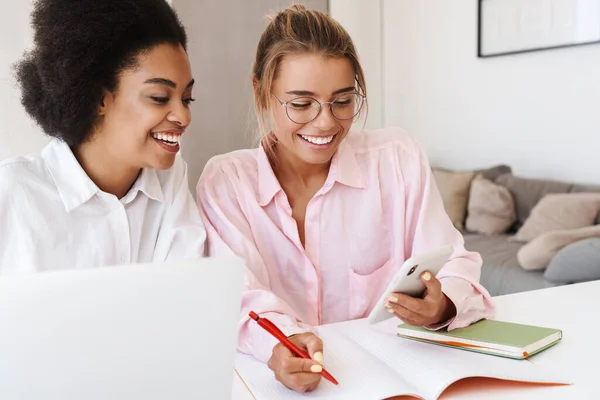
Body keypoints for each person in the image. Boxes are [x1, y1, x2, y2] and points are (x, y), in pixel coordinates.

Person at [197, 5, 494, 393]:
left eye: (343, 101)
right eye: (301, 104)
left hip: (395, 381)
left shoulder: (396, 158)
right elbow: (239, 299)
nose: (325, 122)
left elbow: (454, 260)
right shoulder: (226, 183)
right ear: (261, 92)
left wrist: (442, 304)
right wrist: (281, 344)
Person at [0, 0, 205, 272]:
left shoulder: (169, 182)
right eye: (159, 98)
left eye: (187, 99)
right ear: (99, 98)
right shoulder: (12, 194)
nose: (183, 117)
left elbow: (187, 296)